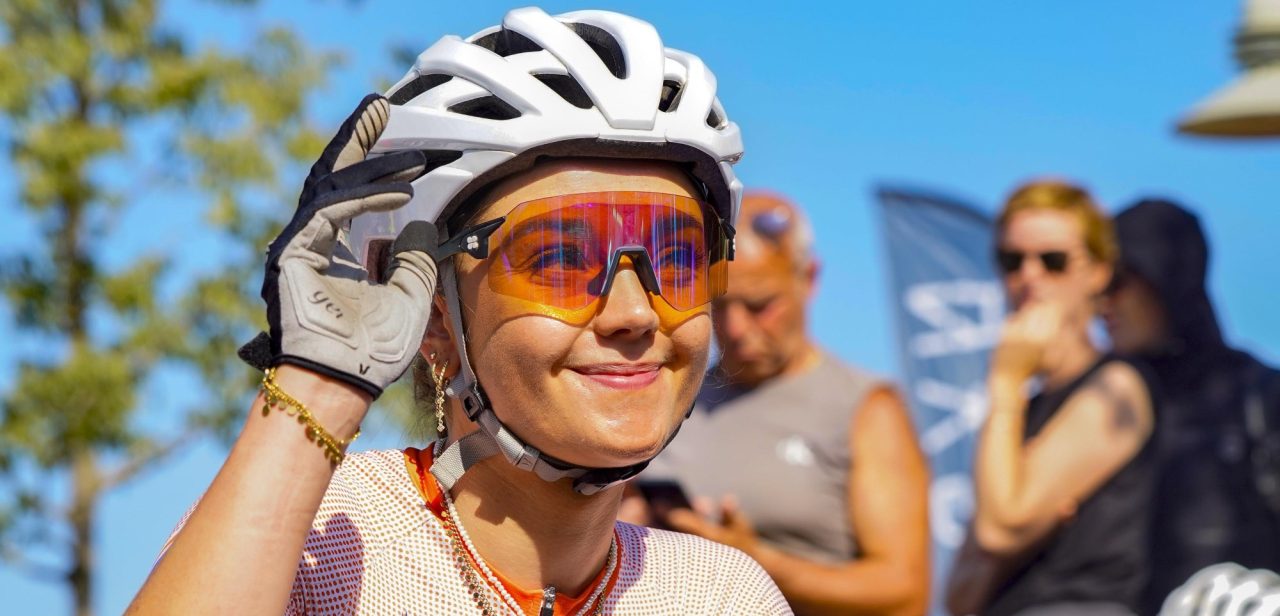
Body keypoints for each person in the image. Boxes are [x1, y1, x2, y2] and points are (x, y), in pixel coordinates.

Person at [127, 8, 792, 614]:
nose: (634, 314)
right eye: (558, 261)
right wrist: (318, 387)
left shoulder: (719, 594)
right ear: (438, 318)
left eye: (676, 259)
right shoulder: (315, 540)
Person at [625, 191, 932, 616]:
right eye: (719, 304)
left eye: (760, 305)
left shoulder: (864, 406)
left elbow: (905, 593)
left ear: (809, 278)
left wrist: (754, 561)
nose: (734, 328)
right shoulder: (669, 392)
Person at [945, 180, 1157, 616]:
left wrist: (1005, 383)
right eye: (1011, 260)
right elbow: (958, 595)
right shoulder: (1023, 411)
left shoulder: (1118, 386)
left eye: (1053, 261)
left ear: (1098, 272)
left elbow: (999, 529)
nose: (1029, 278)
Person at [1100, 199, 1280, 614]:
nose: (1102, 302)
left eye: (1118, 281)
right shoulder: (1096, 407)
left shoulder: (1257, 393)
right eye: (1096, 284)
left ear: (1165, 278)